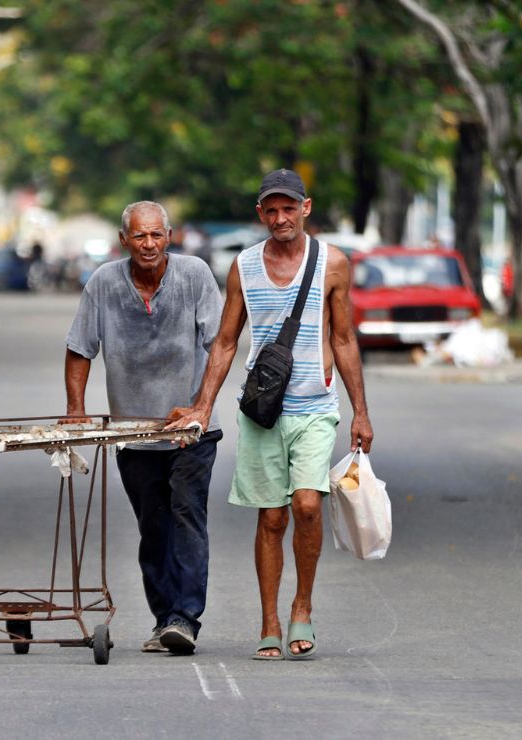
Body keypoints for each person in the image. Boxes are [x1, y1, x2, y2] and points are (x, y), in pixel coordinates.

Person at [167, 168, 374, 660]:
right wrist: (202, 405)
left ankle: (302, 605)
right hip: (262, 410)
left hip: (316, 408)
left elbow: (344, 340)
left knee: (306, 505)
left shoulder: (334, 265)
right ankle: (269, 620)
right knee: (273, 517)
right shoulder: (244, 266)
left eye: (289, 208)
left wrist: (360, 412)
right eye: (271, 210)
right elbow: (225, 340)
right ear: (260, 214)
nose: (280, 217)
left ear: (306, 208)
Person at [64, 201, 223, 656]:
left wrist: (202, 405)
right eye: (139, 236)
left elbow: (220, 346)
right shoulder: (104, 284)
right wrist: (76, 408)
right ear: (124, 241)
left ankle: (185, 618)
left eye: (156, 235)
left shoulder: (194, 276)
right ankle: (164, 619)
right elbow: (80, 348)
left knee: (187, 517)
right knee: (152, 529)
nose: (148, 244)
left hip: (190, 431)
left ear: (168, 237)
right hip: (133, 434)